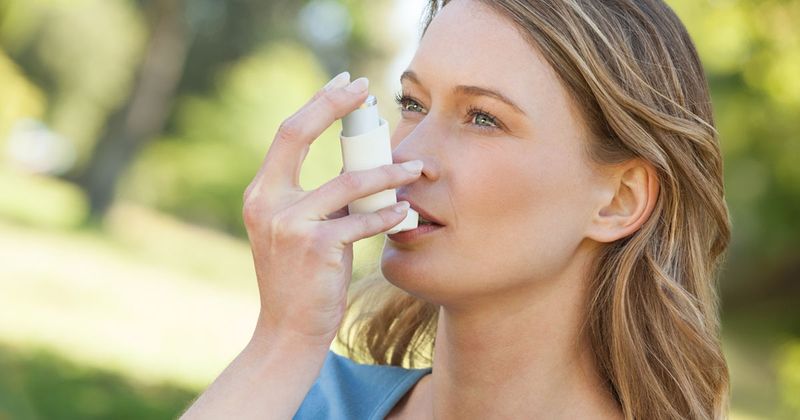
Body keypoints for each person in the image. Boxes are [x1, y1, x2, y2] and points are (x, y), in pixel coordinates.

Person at [181, 0, 731, 418]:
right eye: (413, 105)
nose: (405, 155)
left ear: (619, 200)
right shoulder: (294, 394)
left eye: (483, 118)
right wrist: (283, 341)